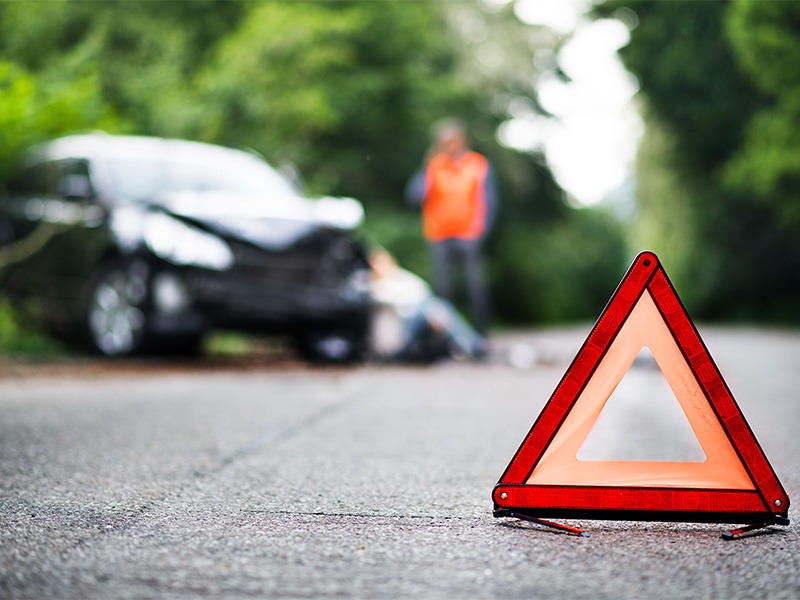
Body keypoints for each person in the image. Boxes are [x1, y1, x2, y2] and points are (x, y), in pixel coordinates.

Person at [405, 118, 497, 335]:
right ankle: (448, 335)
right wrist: (426, 167)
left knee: (475, 285)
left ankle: (482, 333)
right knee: (443, 287)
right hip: (439, 233)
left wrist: (482, 231)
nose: (450, 145)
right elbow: (414, 196)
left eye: (453, 140)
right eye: (445, 142)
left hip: (469, 233)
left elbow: (490, 200)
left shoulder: (477, 164)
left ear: (462, 140)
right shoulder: (434, 166)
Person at [368, 250, 486, 363]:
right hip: (403, 330)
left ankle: (466, 343)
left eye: (385, 262)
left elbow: (423, 290)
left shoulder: (402, 278)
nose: (382, 267)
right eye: (378, 263)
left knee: (437, 306)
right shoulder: (372, 285)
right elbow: (395, 300)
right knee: (435, 307)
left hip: (420, 318)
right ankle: (469, 344)